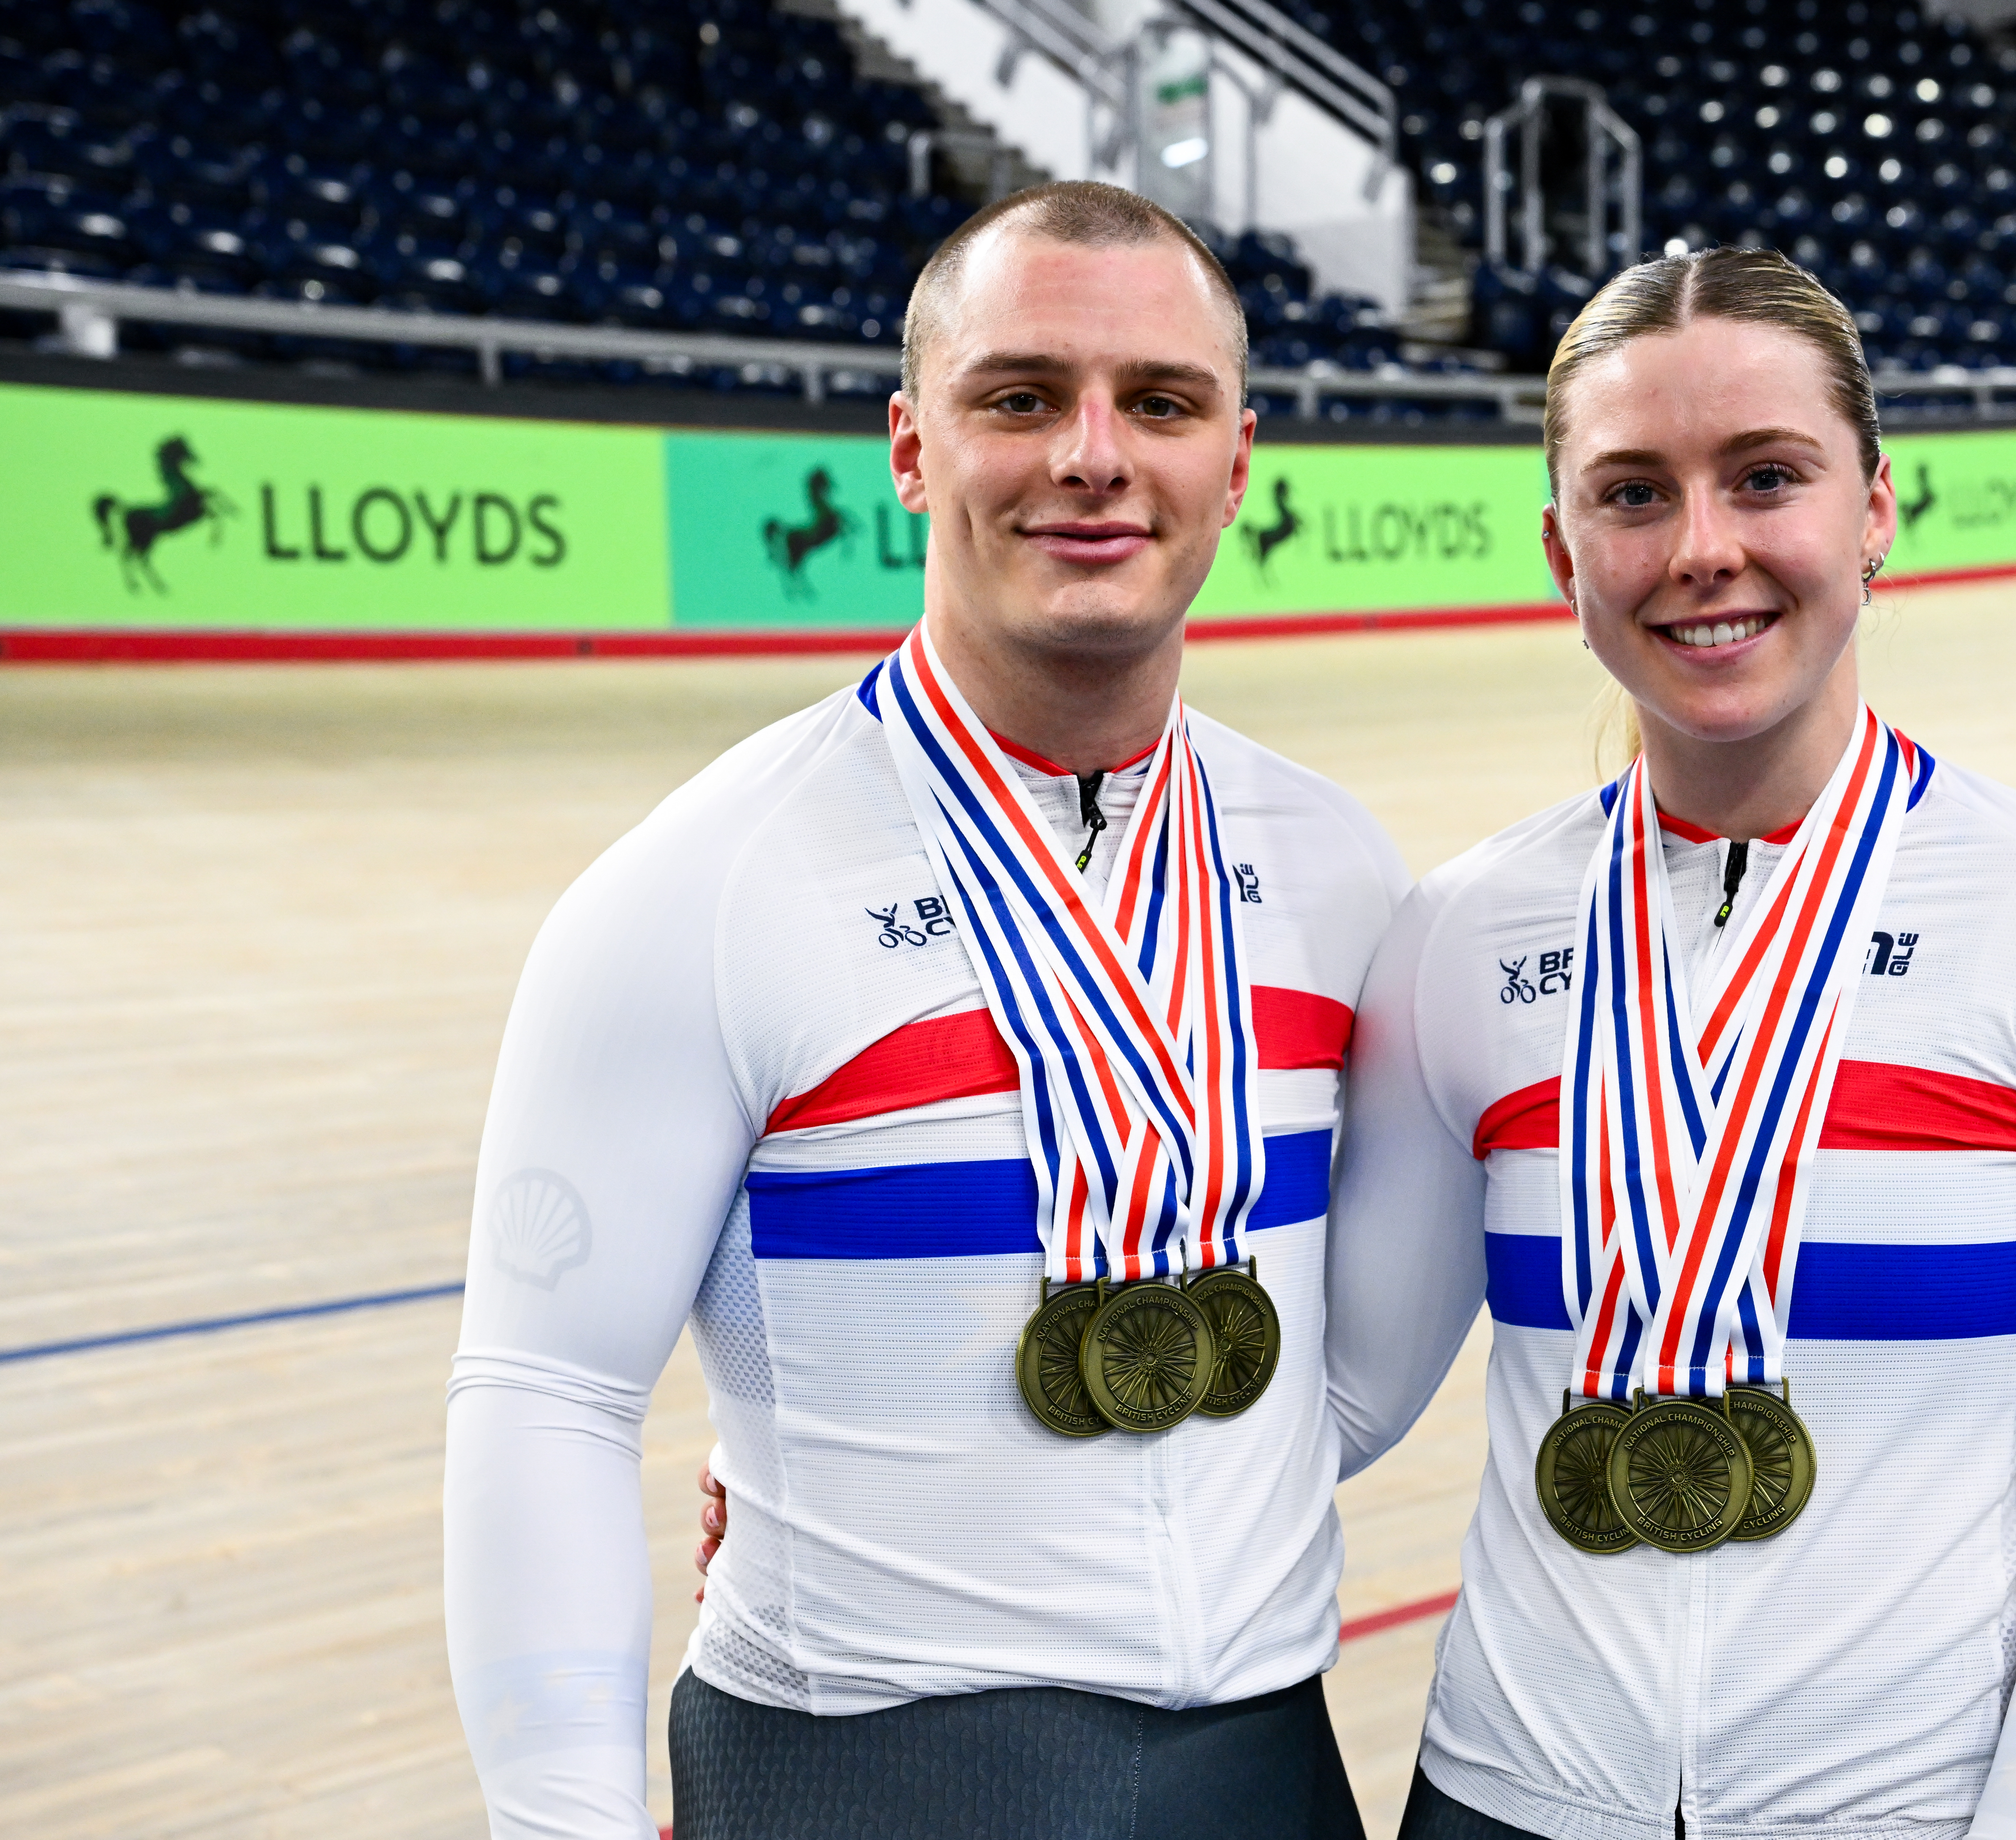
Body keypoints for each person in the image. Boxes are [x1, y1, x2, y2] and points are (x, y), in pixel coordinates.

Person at [443, 181, 1405, 1840]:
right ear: (910, 448)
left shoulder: (1335, 867)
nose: (1093, 455)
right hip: (862, 1769)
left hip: (1264, 1765)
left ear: (1235, 463)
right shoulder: (699, 886)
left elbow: (1349, 1360)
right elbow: (549, 1396)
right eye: (1021, 396)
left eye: (1158, 403)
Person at [1319, 248, 2016, 1840]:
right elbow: (1340, 1396)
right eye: (1634, 494)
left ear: (1877, 507)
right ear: (1563, 549)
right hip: (1499, 1797)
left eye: (1767, 477)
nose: (1705, 549)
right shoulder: (1460, 936)